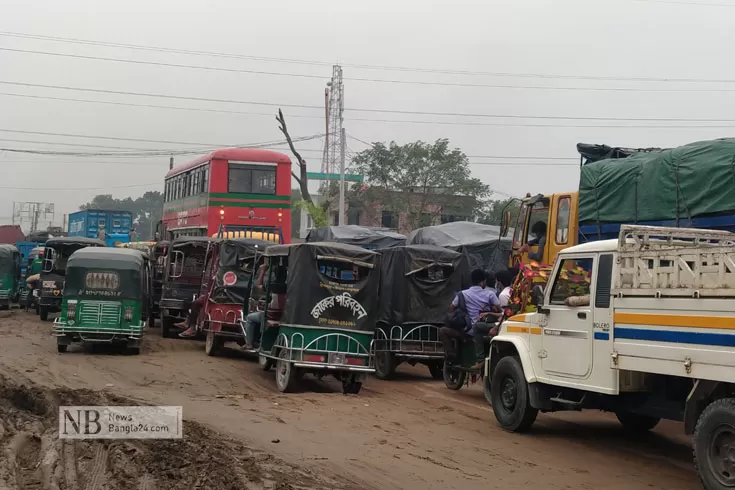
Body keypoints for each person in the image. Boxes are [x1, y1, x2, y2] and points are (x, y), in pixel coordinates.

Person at [439, 269, 501, 365]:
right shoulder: (490, 294)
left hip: (466, 331)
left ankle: (451, 354)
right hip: (484, 329)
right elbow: (500, 309)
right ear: (483, 282)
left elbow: (451, 308)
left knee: (443, 331)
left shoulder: (462, 294)